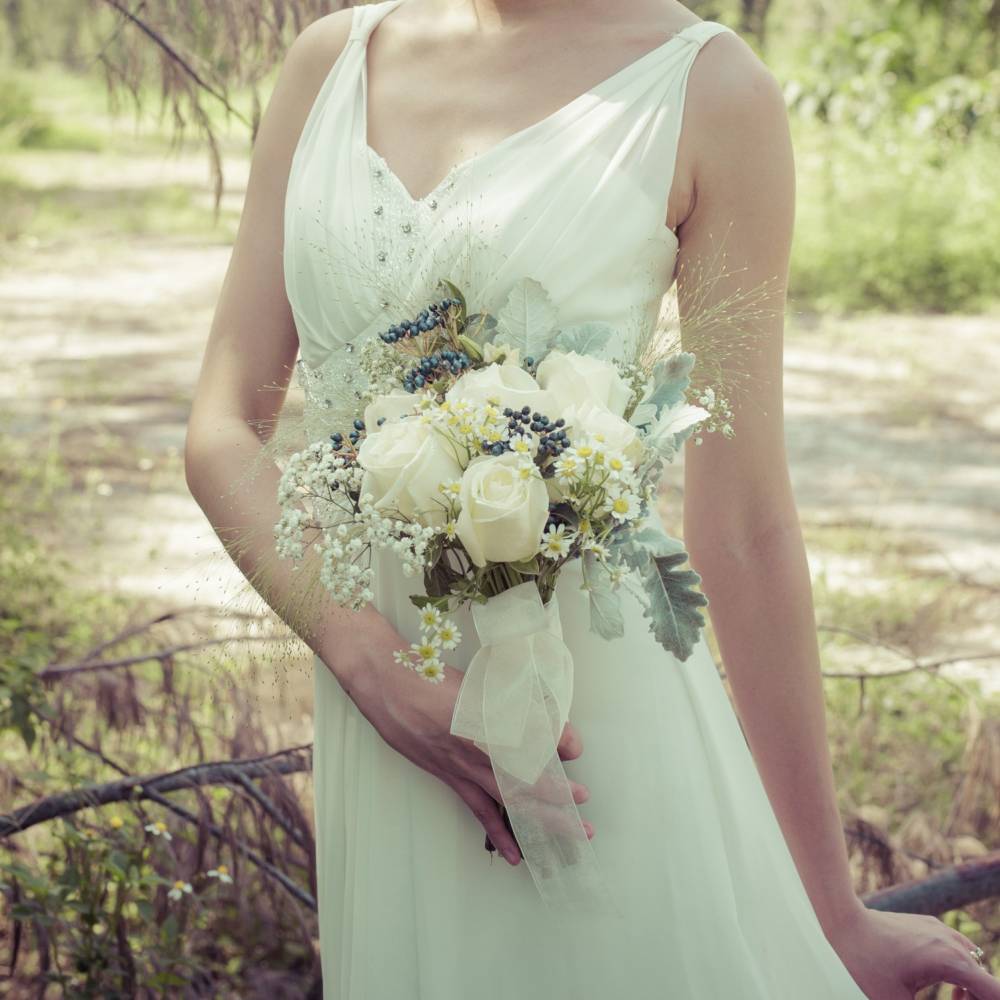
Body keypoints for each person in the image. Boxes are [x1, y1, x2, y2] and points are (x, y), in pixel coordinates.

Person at [184, 1, 998, 997]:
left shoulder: (707, 89)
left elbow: (742, 522)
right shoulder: (333, 63)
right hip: (387, 734)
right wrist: (371, 666)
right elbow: (222, 426)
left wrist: (827, 911)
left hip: (601, 740)